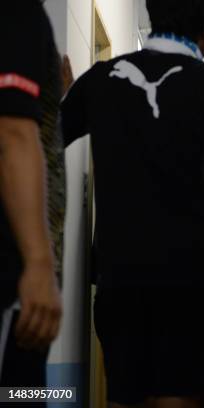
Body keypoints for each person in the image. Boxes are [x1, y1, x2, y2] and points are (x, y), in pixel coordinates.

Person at [60, 0, 204, 406]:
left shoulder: (102, 77)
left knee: (125, 397)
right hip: (189, 280)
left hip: (120, 277)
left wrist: (65, 97)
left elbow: (49, 134)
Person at [0, 0, 64, 393]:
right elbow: (11, 135)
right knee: (20, 394)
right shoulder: (17, 11)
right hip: (11, 274)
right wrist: (39, 265)